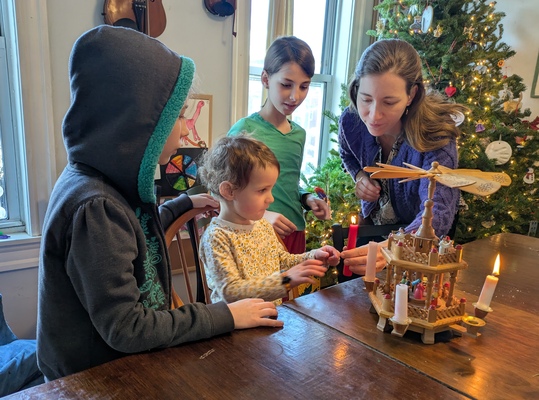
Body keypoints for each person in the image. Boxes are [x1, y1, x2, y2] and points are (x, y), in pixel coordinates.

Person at [37, 25, 284, 382]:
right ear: (136, 123)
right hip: (91, 380)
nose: (185, 129)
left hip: (114, 367)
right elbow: (128, 328)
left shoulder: (102, 180)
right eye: (179, 115)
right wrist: (225, 315)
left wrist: (182, 205)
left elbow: (130, 233)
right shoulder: (95, 207)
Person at [338, 39, 468, 277]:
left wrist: (395, 247)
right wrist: (359, 176)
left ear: (411, 94)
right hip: (377, 226)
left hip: (423, 239)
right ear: (356, 89)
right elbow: (347, 154)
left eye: (389, 102)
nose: (374, 115)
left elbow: (438, 210)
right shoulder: (350, 120)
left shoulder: (436, 133)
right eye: (366, 99)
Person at [198, 135, 340, 304]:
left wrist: (314, 256)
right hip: (238, 320)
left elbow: (282, 260)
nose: (271, 198)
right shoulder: (217, 237)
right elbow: (231, 291)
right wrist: (286, 280)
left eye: (271, 189)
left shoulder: (262, 226)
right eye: (262, 190)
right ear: (229, 191)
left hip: (270, 314)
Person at [228, 36, 330, 254]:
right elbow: (222, 192)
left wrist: (308, 198)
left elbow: (286, 184)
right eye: (286, 85)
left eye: (304, 86)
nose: (295, 96)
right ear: (266, 79)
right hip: (255, 234)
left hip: (294, 231)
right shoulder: (244, 130)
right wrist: (263, 216)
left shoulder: (299, 135)